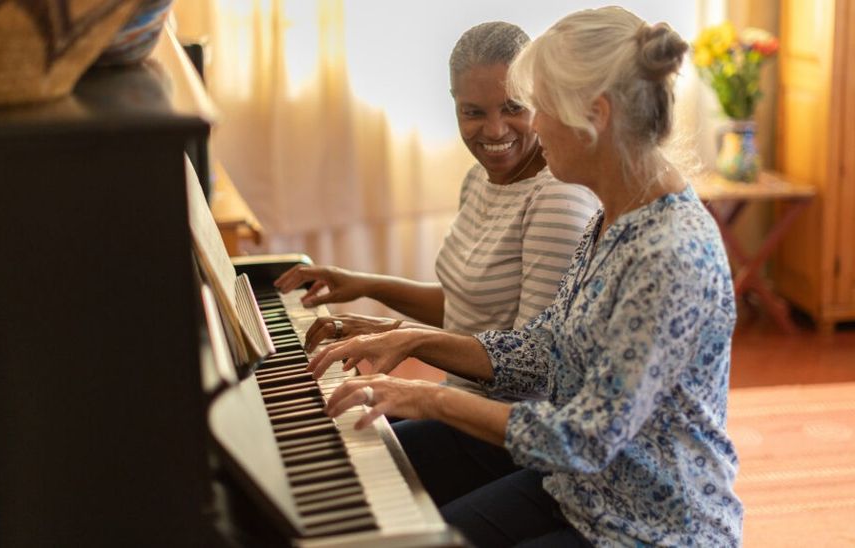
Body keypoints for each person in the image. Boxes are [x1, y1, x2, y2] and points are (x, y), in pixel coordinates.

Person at [305, 7, 743, 547]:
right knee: (405, 533)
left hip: (647, 527)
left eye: (539, 107)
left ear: (596, 115)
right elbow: (545, 348)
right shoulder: (617, 214)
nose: (532, 126)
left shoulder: (668, 254)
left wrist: (429, 398)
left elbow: (583, 438)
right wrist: (412, 339)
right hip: (576, 490)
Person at [274, 22, 598, 397]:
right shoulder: (478, 179)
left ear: (540, 100)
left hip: (501, 427)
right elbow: (466, 310)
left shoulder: (557, 199)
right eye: (473, 112)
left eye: (513, 108)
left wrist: (397, 336)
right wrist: (365, 284)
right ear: (454, 102)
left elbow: (532, 370)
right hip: (457, 399)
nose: (494, 131)